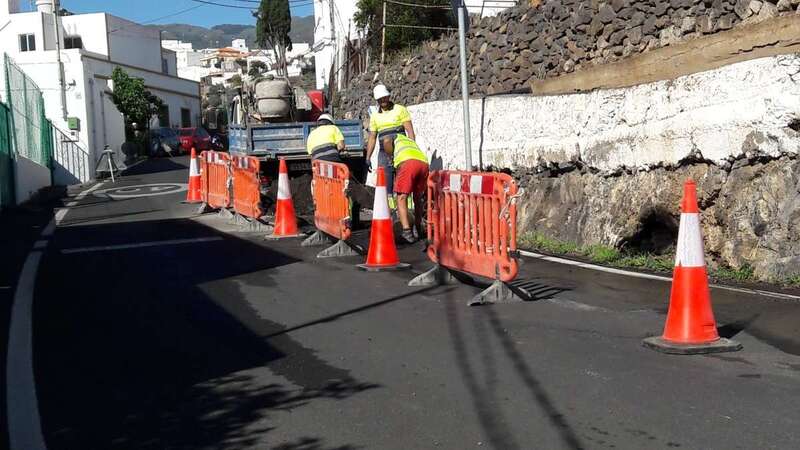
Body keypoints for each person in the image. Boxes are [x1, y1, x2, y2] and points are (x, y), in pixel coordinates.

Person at [365, 84, 415, 209]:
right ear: (377, 100)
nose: (383, 101)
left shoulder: (400, 109)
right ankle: (391, 209)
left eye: (384, 97)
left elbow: (410, 131)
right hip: (383, 150)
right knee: (386, 179)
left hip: (400, 147)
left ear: (388, 96)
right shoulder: (375, 116)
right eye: (380, 99)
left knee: (402, 177)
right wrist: (368, 157)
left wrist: (411, 149)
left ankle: (407, 208)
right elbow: (372, 137)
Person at [381, 134, 428, 243]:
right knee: (417, 198)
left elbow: (387, 140)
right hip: (423, 164)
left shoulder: (393, 137)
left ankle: (407, 232)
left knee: (401, 197)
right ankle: (418, 228)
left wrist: (390, 157)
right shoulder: (407, 140)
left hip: (408, 164)